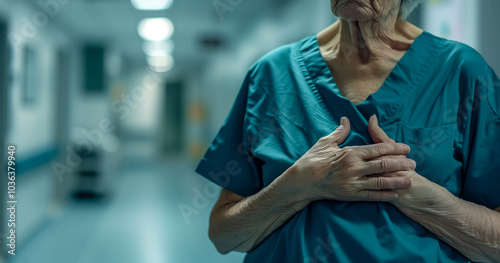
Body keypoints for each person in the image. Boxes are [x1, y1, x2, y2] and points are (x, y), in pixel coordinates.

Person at [195, 0, 500, 262]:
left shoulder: (462, 71)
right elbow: (224, 236)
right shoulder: (271, 74)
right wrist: (297, 185)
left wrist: (412, 192)